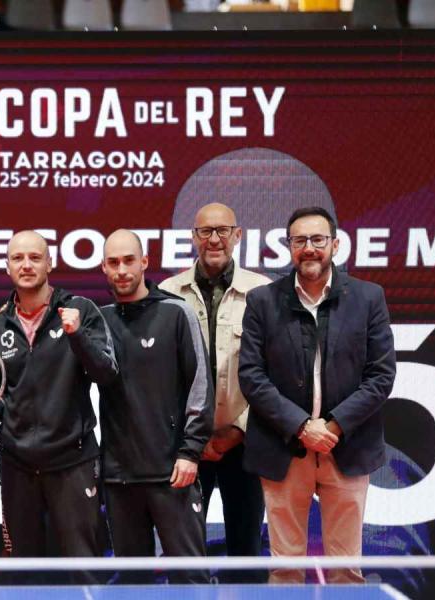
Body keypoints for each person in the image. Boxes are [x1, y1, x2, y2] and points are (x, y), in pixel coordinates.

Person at [239, 206, 396, 584]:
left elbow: (381, 374)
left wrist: (335, 426)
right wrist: (301, 426)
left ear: (335, 245)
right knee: (284, 566)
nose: (309, 248)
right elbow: (251, 374)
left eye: (317, 240)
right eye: (299, 241)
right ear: (289, 246)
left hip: (348, 446)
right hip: (283, 447)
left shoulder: (368, 297)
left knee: (346, 568)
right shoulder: (263, 301)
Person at [0, 230, 118, 558]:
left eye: (35, 257)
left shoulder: (79, 310)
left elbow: (107, 374)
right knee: (23, 568)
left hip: (73, 461)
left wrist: (77, 336)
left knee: (82, 563)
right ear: (7, 267)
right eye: (18, 258)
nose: (26, 265)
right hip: (16, 464)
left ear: (50, 264)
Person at [160, 202, 270, 581]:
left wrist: (237, 430)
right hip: (188, 448)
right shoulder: (167, 293)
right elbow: (160, 380)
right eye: (205, 231)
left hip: (247, 443)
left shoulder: (264, 293)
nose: (214, 239)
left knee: (247, 553)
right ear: (193, 237)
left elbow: (276, 376)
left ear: (238, 235)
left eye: (223, 230)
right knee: (184, 556)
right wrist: (196, 437)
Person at [98, 230, 213, 582]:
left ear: (144, 262)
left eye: (129, 260)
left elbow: (201, 385)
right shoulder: (98, 320)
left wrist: (190, 452)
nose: (122, 270)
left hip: (172, 473)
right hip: (119, 477)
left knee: (190, 579)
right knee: (133, 583)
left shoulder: (177, 313)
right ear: (104, 267)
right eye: (113, 263)